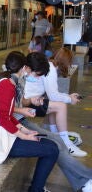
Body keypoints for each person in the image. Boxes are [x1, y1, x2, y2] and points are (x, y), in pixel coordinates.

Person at [0, 51, 59, 192]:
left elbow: (8, 115)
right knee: (52, 149)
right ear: (24, 68)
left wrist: (24, 130)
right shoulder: (7, 87)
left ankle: (37, 189)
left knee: (51, 146)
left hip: (5, 136)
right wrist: (24, 135)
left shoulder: (7, 82)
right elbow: (4, 119)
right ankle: (36, 189)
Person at [11, 53, 92, 192]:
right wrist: (23, 129)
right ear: (26, 67)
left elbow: (22, 101)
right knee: (54, 145)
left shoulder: (21, 79)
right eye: (37, 74)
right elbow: (1, 111)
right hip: (16, 124)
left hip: (19, 120)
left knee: (57, 140)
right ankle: (86, 179)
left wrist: (31, 101)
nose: (35, 78)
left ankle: (84, 181)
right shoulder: (8, 82)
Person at [24, 52, 86, 157]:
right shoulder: (50, 69)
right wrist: (69, 100)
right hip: (29, 103)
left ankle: (55, 134)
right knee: (61, 106)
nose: (70, 66)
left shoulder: (49, 66)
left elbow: (52, 94)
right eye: (70, 63)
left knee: (56, 103)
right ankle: (66, 144)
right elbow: (53, 95)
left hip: (32, 101)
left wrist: (69, 96)